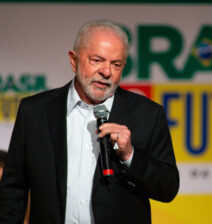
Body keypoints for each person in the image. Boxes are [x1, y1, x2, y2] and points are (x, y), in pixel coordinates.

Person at [0, 19, 179, 224]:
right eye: (97, 60)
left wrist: (129, 155)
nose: (106, 72)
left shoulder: (147, 114)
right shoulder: (35, 111)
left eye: (116, 64)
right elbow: (12, 192)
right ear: (74, 60)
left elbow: (168, 188)